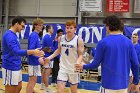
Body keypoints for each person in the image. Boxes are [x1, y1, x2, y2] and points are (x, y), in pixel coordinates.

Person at [75, 15, 139, 93]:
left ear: (108, 26)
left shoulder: (103, 42)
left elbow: (95, 64)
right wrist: (136, 82)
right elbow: (135, 64)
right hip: (123, 85)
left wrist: (83, 66)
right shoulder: (129, 42)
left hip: (108, 85)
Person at [2, 16, 44, 93]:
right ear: (16, 24)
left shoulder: (14, 35)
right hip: (10, 66)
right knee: (11, 90)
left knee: (19, 87)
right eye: (22, 26)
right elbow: (16, 51)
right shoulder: (9, 35)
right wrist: (33, 52)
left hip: (17, 65)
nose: (23, 28)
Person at [44, 20, 84, 93]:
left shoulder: (79, 40)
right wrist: (49, 58)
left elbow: (81, 54)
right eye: (67, 28)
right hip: (63, 68)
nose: (69, 30)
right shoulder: (61, 38)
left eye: (71, 28)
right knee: (59, 90)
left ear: (75, 29)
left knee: (73, 91)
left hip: (73, 69)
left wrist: (78, 62)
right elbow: (58, 50)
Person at [26, 18, 44, 93]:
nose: (41, 27)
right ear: (35, 26)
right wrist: (39, 57)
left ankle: (31, 91)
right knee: (33, 81)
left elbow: (35, 49)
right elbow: (31, 49)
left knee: (31, 80)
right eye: (40, 25)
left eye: (42, 25)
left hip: (34, 61)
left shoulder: (35, 35)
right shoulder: (34, 35)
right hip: (33, 61)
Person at [41, 25, 54, 93]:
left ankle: (42, 85)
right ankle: (47, 89)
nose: (53, 30)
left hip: (45, 56)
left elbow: (45, 48)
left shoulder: (45, 36)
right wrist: (54, 50)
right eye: (52, 28)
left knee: (44, 71)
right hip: (48, 57)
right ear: (49, 29)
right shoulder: (48, 37)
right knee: (47, 73)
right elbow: (48, 49)